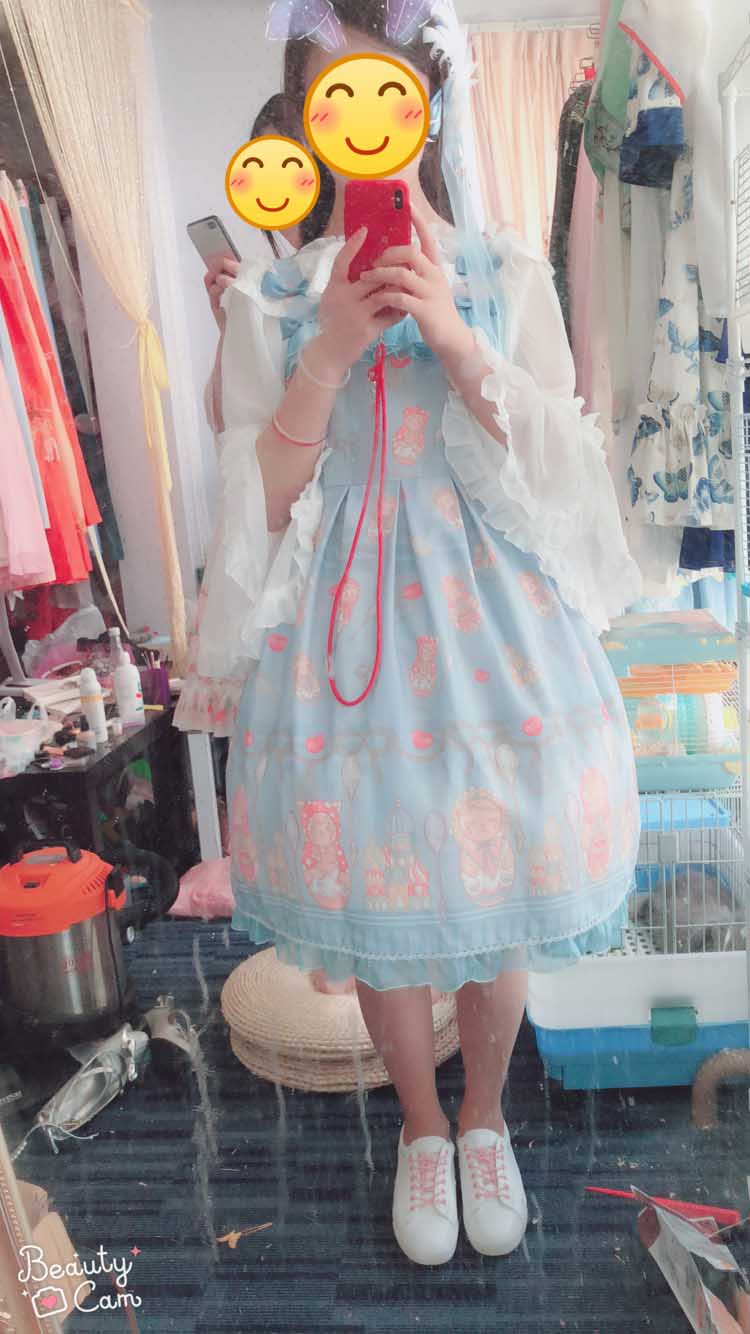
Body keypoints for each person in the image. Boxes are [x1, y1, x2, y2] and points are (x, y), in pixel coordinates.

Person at [178, 0, 642, 1269]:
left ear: (426, 107)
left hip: (498, 631)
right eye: (336, 98)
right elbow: (260, 504)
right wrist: (328, 348)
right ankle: (423, 1129)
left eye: (387, 93)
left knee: (499, 885)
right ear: (309, 121)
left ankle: (484, 1115)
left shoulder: (507, 270)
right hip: (343, 640)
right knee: (380, 879)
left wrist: (449, 328)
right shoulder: (272, 297)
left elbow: (560, 465)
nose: (367, 124)